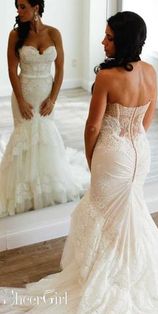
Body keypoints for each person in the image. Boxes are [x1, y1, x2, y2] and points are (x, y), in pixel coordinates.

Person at [0, 10, 158, 314]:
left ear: (123, 41)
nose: (103, 41)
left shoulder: (107, 76)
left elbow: (93, 127)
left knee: (101, 213)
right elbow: (146, 120)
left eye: (109, 38)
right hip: (139, 150)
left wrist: (92, 157)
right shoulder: (150, 71)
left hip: (112, 154)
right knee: (128, 213)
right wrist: (131, 139)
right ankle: (131, 268)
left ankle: (108, 274)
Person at [0, 0, 89, 217]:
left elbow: (60, 69)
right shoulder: (15, 36)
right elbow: (12, 70)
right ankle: (24, 189)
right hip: (25, 93)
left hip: (46, 93)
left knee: (46, 136)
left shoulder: (54, 34)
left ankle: (45, 185)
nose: (19, 11)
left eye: (23, 6)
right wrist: (20, 100)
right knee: (25, 136)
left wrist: (53, 99)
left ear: (36, 8)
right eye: (18, 7)